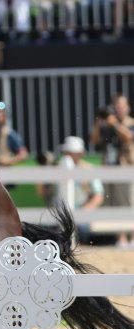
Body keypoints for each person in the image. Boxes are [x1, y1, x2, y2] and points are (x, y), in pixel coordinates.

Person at [90, 94, 134, 247]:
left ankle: (132, 239)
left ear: (128, 108)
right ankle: (120, 239)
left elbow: (129, 137)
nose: (118, 109)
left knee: (129, 203)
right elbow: (94, 141)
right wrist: (98, 122)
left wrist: (114, 124)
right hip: (108, 167)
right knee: (114, 203)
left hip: (126, 168)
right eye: (116, 106)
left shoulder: (130, 123)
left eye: (121, 106)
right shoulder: (107, 125)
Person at [57, 136, 105, 211]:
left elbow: (98, 196)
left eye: (70, 153)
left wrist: (83, 212)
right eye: (65, 152)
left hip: (81, 214)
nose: (67, 155)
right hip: (60, 213)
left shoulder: (89, 170)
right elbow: (44, 193)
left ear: (81, 153)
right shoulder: (57, 168)